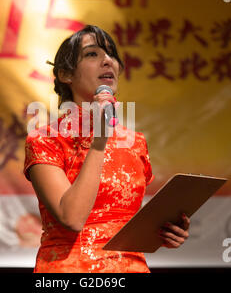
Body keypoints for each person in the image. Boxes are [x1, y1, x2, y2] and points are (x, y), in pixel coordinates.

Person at [23, 25, 190, 273]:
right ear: (65, 74)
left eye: (112, 54)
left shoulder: (135, 142)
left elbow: (123, 223)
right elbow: (72, 218)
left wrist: (165, 233)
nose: (108, 61)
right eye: (92, 54)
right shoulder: (46, 139)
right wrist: (99, 141)